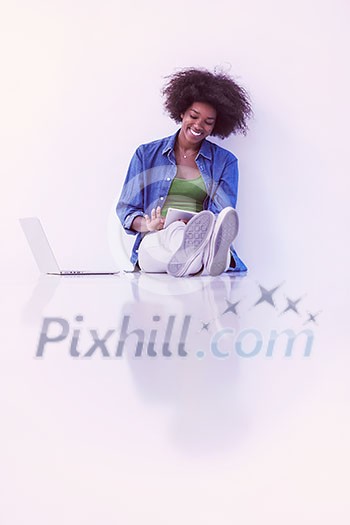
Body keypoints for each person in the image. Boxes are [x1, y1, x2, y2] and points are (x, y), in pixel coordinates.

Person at [116, 67, 252, 277]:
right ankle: (207, 260)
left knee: (193, 234)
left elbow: (223, 213)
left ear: (216, 125)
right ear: (181, 112)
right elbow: (127, 209)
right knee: (171, 237)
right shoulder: (146, 155)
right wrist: (148, 224)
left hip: (202, 235)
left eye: (208, 122)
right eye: (193, 116)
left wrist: (198, 225)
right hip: (157, 238)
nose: (199, 125)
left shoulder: (226, 162)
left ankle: (200, 253)